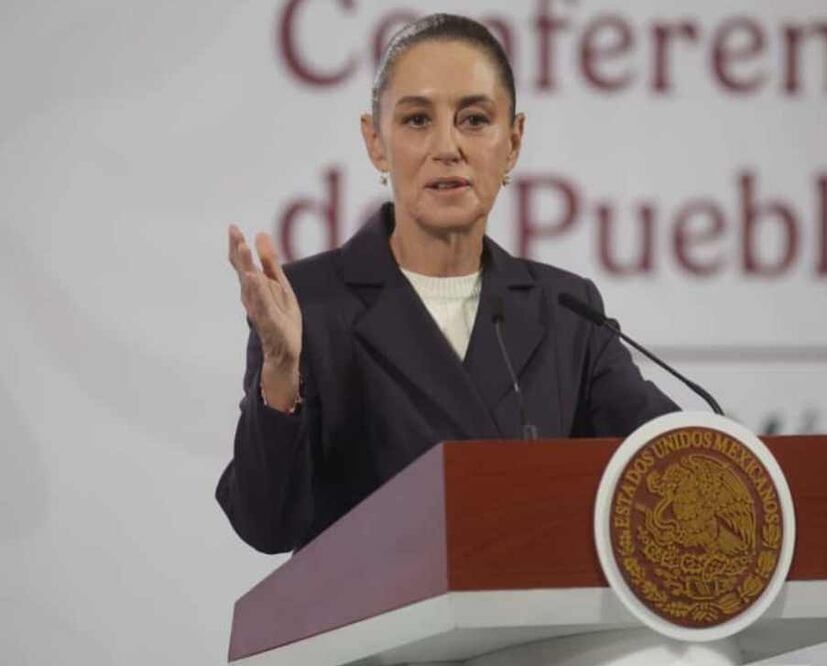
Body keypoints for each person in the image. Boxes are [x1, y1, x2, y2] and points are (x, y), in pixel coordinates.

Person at [216, 14, 678, 554]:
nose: (447, 146)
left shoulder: (566, 310)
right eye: (417, 120)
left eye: (474, 120)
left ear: (513, 142)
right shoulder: (309, 304)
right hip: (382, 611)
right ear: (375, 142)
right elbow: (266, 527)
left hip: (532, 608)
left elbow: (671, 462)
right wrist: (280, 371)